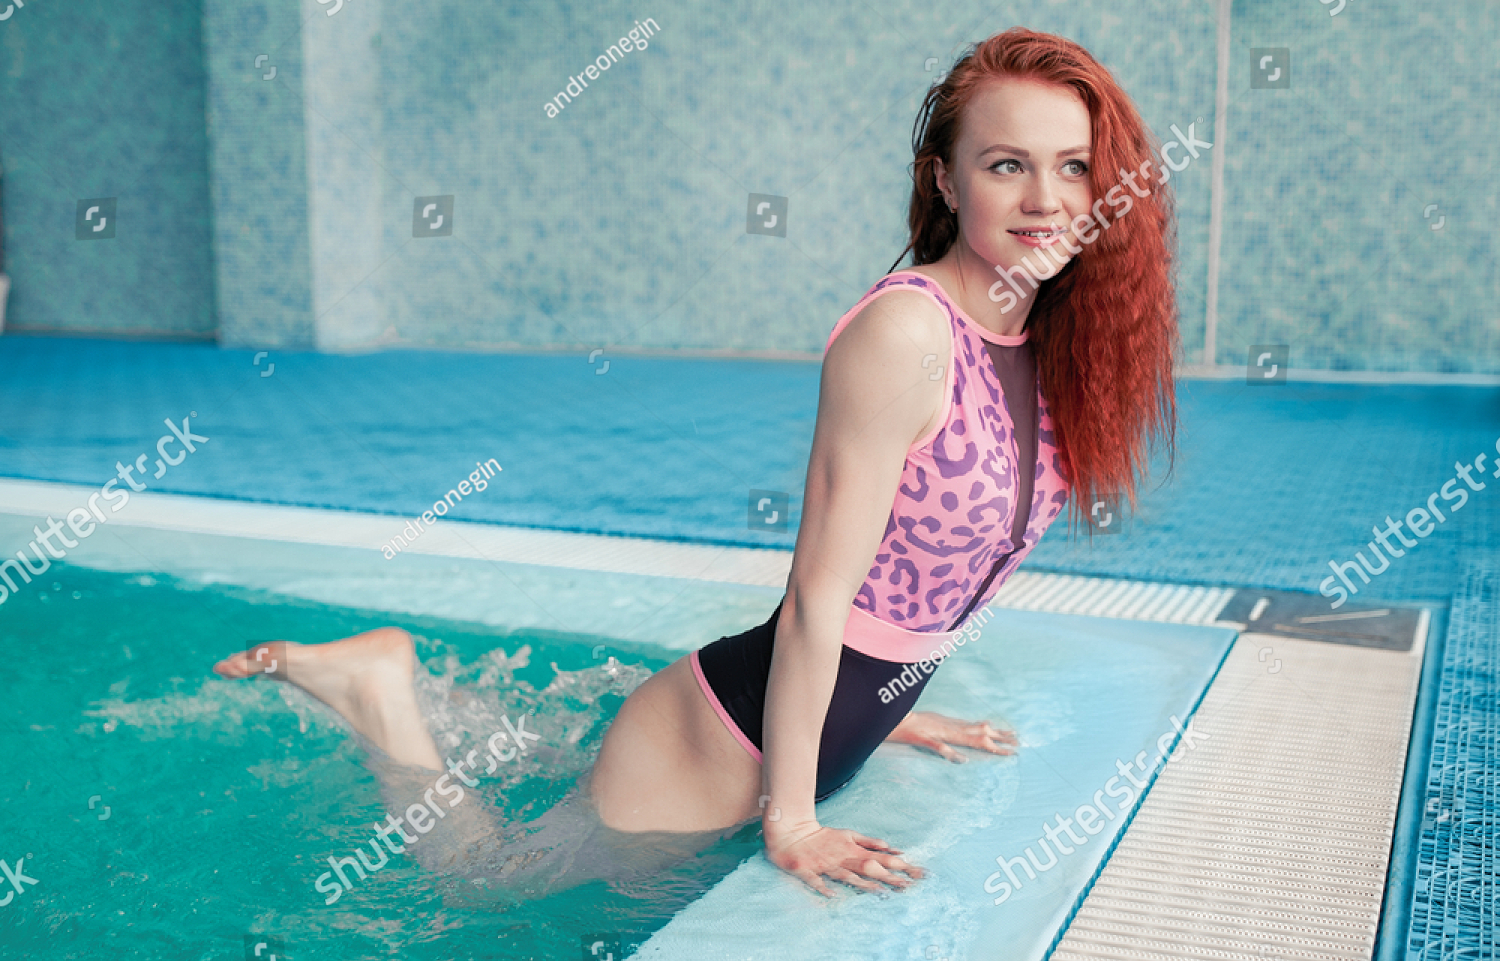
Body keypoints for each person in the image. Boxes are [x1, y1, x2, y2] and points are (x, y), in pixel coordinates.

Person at [215, 26, 1177, 904]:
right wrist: (791, 819)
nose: (1046, 200)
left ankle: (415, 689)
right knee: (491, 885)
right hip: (728, 733)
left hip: (825, 718)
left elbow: (933, 576)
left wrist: (893, 707)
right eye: (1006, 164)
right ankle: (380, 691)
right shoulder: (905, 335)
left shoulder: (1045, 335)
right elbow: (816, 599)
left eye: (1075, 168)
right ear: (945, 179)